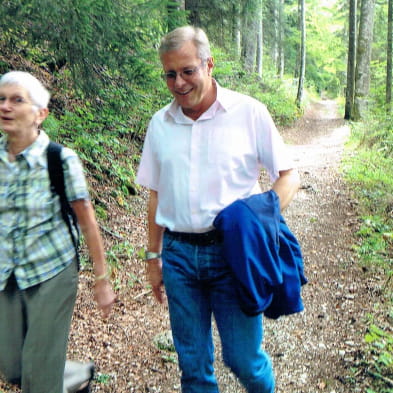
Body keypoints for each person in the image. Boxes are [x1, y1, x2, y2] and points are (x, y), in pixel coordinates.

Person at [136, 26, 301, 393]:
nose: (178, 83)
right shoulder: (160, 125)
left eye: (187, 71)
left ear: (209, 65)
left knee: (244, 360)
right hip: (178, 257)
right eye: (170, 74)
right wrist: (153, 256)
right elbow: (155, 195)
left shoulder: (249, 113)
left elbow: (288, 177)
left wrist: (259, 214)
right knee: (192, 366)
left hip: (233, 255)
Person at [0, 70, 116, 393]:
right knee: (11, 366)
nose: (6, 107)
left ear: (41, 114)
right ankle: (74, 376)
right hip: (6, 273)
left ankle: (50, 378)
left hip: (52, 271)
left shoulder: (60, 160)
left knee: (38, 380)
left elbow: (87, 221)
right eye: (2, 99)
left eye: (17, 100)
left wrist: (101, 279)